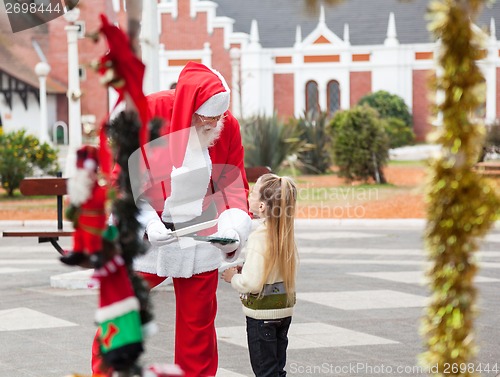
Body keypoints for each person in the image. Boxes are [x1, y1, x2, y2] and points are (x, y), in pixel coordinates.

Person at [91, 61, 252, 377]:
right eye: (207, 119)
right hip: (146, 230)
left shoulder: (226, 125)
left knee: (198, 327)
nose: (215, 124)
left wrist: (233, 229)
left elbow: (234, 185)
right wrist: (148, 225)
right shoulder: (148, 113)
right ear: (189, 110)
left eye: (219, 117)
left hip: (200, 236)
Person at [222, 173, 299, 377]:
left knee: (264, 371)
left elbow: (253, 283)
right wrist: (246, 267)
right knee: (276, 369)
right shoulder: (285, 234)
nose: (249, 196)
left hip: (262, 316)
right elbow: (270, 271)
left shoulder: (259, 238)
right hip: (283, 312)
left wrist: (233, 278)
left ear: (263, 206)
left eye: (254, 193)